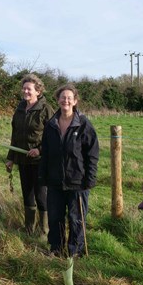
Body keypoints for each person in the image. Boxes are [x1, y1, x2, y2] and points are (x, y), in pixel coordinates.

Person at [39, 83, 99, 257]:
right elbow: (46, 153)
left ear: (75, 101)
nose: (66, 100)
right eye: (63, 97)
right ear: (58, 100)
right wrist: (43, 176)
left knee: (76, 219)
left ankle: (75, 252)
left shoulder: (84, 125)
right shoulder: (51, 125)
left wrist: (90, 179)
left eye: (69, 98)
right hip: (55, 181)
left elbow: (92, 154)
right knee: (55, 217)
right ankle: (56, 249)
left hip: (77, 182)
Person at [5, 74, 55, 235]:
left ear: (38, 91)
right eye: (24, 88)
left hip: (40, 161)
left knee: (41, 195)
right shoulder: (20, 109)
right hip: (23, 159)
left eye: (29, 89)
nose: (26, 91)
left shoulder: (46, 109)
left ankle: (44, 230)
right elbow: (15, 136)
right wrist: (11, 158)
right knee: (27, 194)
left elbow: (53, 136)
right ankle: (29, 228)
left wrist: (39, 150)